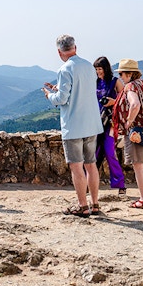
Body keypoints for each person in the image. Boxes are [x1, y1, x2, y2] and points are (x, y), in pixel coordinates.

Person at [43, 35, 103, 217]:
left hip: (74, 126)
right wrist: (58, 88)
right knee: (91, 165)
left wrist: (49, 95)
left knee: (77, 167)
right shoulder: (89, 67)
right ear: (75, 47)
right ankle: (95, 204)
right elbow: (82, 91)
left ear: (59, 51)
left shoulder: (64, 69)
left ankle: (82, 205)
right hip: (92, 123)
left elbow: (62, 99)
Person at [112, 59, 143, 209]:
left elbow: (135, 104)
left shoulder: (130, 86)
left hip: (137, 131)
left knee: (137, 165)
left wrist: (129, 121)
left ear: (129, 74)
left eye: (122, 74)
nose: (121, 77)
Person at [93, 56, 126, 195]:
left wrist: (114, 102)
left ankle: (120, 184)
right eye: (96, 69)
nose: (98, 72)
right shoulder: (94, 82)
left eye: (100, 69)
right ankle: (91, 183)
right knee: (93, 154)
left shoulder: (115, 82)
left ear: (106, 68)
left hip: (110, 122)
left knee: (109, 152)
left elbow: (125, 99)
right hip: (95, 121)